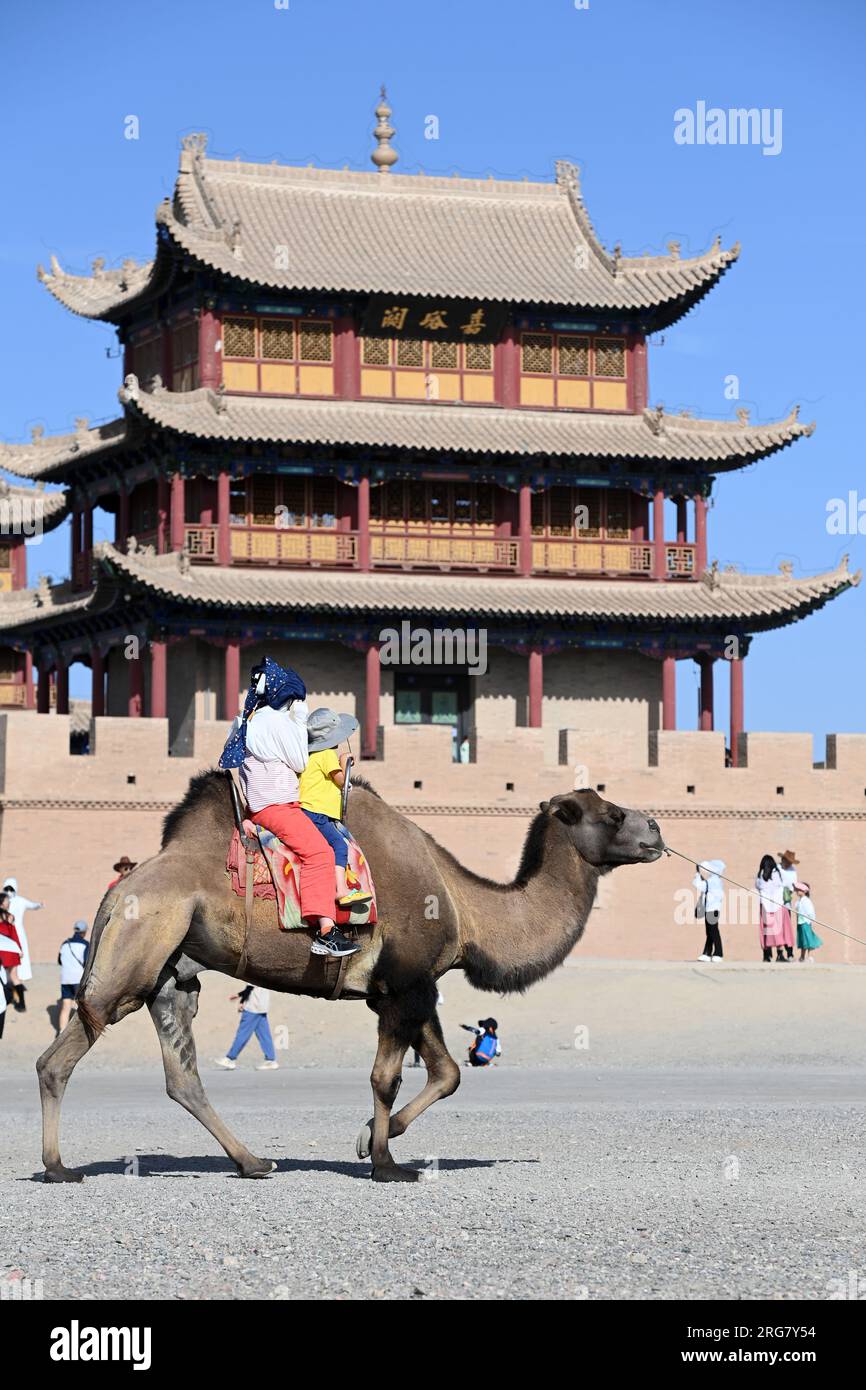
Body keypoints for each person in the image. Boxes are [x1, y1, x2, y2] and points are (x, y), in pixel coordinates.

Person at [219, 656, 359, 959]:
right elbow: (299, 761)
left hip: (260, 806)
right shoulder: (274, 720)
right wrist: (298, 717)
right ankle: (326, 932)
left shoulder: (247, 719)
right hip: (279, 808)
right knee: (321, 853)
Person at [299, 707, 371, 910]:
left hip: (308, 811)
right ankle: (340, 890)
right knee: (340, 846)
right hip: (316, 813)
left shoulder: (311, 755)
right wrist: (343, 762)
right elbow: (340, 780)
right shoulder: (327, 754)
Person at [1, 876, 44, 1009]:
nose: (9, 891)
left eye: (10, 888)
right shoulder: (9, 906)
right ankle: (14, 998)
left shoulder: (16, 902)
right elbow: (33, 905)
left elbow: (32, 905)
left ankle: (13, 998)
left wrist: (39, 905)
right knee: (11, 972)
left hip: (13, 938)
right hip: (12, 938)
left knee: (11, 971)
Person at [214, 985, 278, 1070]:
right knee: (264, 1035)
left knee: (242, 1034)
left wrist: (241, 999)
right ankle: (271, 1060)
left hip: (252, 1008)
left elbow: (250, 988)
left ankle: (230, 1059)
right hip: (262, 1008)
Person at [755, 855, 788, 962]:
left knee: (765, 930)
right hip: (777, 905)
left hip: (765, 906)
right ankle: (780, 954)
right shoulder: (777, 874)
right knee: (778, 930)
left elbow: (757, 886)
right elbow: (782, 885)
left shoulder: (760, 875)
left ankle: (766, 955)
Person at [57, 921, 89, 1032]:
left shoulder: (65, 943)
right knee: (82, 1006)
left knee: (65, 1007)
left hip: (65, 979)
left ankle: (61, 1032)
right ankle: (82, 1031)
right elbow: (87, 963)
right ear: (84, 932)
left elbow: (60, 961)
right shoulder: (85, 944)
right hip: (78, 979)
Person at [692, 859, 725, 961]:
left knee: (713, 931)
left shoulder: (713, 881)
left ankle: (718, 953)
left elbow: (700, 886)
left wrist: (697, 874)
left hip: (712, 909)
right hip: (711, 909)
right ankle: (707, 953)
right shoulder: (715, 880)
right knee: (710, 931)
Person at [0, 892, 24, 1011]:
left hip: (4, 950)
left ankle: (9, 998)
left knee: (6, 977)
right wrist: (19, 949)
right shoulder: (9, 917)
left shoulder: (8, 917)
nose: (8, 903)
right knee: (14, 976)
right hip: (11, 949)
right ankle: (21, 1003)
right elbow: (14, 935)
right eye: (6, 902)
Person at [775, 850, 799, 960]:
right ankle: (779, 953)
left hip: (786, 903)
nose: (789, 864)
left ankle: (789, 953)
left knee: (787, 928)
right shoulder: (776, 868)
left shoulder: (793, 871)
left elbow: (793, 885)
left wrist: (788, 890)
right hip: (776, 903)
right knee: (777, 928)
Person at [792, 880, 823, 962]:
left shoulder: (806, 901)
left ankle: (809, 956)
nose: (797, 891)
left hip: (806, 923)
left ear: (805, 891)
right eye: (797, 890)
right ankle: (802, 957)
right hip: (800, 923)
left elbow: (810, 912)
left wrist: (811, 920)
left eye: (799, 890)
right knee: (802, 940)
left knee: (807, 939)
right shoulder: (799, 901)